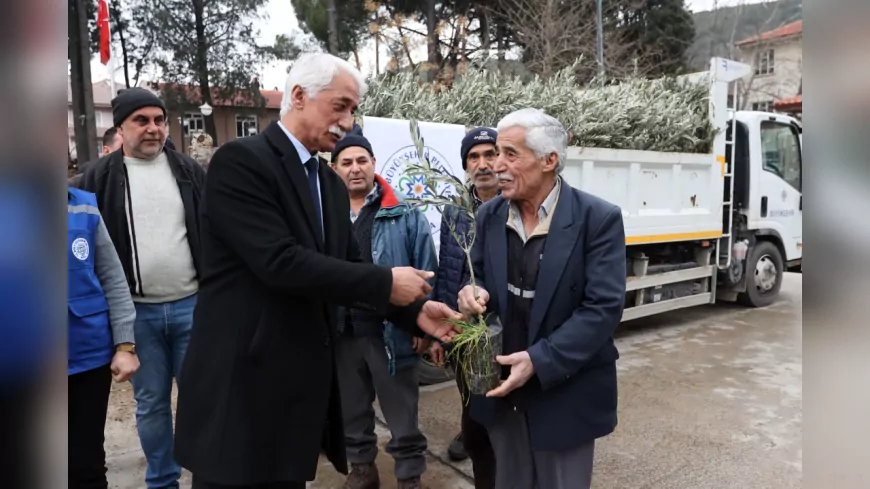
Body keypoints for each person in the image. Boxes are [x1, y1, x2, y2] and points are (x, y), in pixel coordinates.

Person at [173, 52, 462, 489]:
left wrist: (414, 312)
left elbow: (348, 268)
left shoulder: (328, 183)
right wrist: (386, 281)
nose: (347, 122)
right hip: (243, 385)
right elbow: (279, 262)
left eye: (353, 110)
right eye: (340, 106)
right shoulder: (241, 162)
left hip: (297, 391)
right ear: (298, 96)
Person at [456, 108, 626, 489]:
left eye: (510, 154)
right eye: (496, 153)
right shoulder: (490, 215)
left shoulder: (597, 219)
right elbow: (475, 274)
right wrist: (469, 293)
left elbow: (603, 309)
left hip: (564, 394)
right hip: (502, 392)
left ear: (549, 160)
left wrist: (538, 360)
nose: (496, 165)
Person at [77, 87, 206, 489]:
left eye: (159, 120)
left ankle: (208, 478)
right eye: (142, 120)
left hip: (192, 306)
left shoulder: (188, 171)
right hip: (135, 316)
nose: (153, 128)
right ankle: (163, 482)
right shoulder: (97, 178)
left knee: (201, 401)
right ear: (120, 127)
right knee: (151, 404)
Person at [330, 129, 437, 489]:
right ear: (334, 168)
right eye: (347, 162)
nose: (355, 168)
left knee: (402, 412)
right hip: (342, 332)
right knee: (352, 408)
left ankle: (409, 478)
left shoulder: (403, 212)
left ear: (374, 163)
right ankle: (362, 468)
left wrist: (419, 322)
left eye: (362, 160)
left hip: (390, 331)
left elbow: (426, 269)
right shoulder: (325, 215)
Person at [431, 127, 499, 488]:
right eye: (474, 157)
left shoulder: (515, 206)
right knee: (468, 387)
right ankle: (469, 428)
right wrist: (441, 331)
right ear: (466, 165)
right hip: (463, 324)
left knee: (498, 401)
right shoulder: (455, 210)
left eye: (490, 154)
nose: (483, 164)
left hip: (499, 326)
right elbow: (446, 269)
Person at [68, 186, 140, 488]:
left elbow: (112, 277)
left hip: (86, 358)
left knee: (86, 464)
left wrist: (125, 345)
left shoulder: (83, 206)